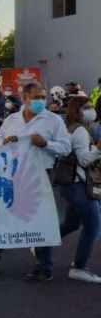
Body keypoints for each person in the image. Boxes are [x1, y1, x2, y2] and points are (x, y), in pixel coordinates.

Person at [0, 82, 71, 281]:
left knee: (41, 221)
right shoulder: (12, 120)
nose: (41, 101)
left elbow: (66, 148)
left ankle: (44, 267)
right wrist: (4, 143)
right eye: (36, 97)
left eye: (43, 97)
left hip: (40, 175)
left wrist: (46, 144)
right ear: (25, 99)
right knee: (0, 218)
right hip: (11, 175)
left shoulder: (53, 120)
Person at [54, 96, 101, 282]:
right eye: (86, 107)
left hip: (68, 185)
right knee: (93, 227)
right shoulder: (80, 130)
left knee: (72, 224)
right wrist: (98, 149)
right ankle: (79, 268)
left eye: (91, 106)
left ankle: (42, 245)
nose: (91, 110)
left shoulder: (70, 127)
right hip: (78, 185)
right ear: (77, 110)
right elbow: (83, 159)